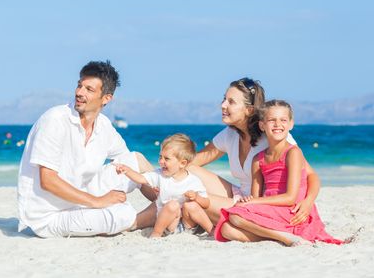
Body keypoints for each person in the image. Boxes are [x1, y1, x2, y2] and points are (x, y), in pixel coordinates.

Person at [137, 78, 320, 229]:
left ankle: (139, 221)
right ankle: (161, 208)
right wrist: (162, 174)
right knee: (188, 171)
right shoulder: (231, 134)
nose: (223, 105)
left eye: (231, 102)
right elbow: (195, 160)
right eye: (224, 99)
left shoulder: (273, 135)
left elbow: (311, 176)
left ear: (249, 110)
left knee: (190, 198)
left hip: (257, 205)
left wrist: (308, 202)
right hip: (239, 194)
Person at [17, 60, 155, 238]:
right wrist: (97, 202)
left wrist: (162, 190)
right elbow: (48, 181)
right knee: (124, 213)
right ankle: (146, 218)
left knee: (136, 160)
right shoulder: (55, 120)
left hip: (80, 197)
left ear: (106, 98)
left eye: (89, 89)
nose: (79, 93)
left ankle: (170, 204)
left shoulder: (103, 125)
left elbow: (126, 161)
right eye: (79, 86)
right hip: (48, 215)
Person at [214, 100, 344, 245]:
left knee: (235, 217)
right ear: (262, 125)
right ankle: (278, 236)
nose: (277, 124)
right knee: (226, 229)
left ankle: (285, 238)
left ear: (291, 124)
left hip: (292, 210)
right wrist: (249, 201)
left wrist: (253, 202)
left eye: (283, 120)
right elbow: (255, 198)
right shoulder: (258, 160)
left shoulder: (293, 153)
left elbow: (290, 197)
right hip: (272, 210)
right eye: (271, 120)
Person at [115, 134, 213, 238]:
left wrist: (196, 197)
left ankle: (212, 230)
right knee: (172, 205)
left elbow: (206, 203)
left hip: (188, 225)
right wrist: (127, 171)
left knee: (191, 205)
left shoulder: (193, 181)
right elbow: (140, 179)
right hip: (169, 223)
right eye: (160, 157)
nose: (161, 162)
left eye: (166, 159)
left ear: (182, 163)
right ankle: (156, 234)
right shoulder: (159, 175)